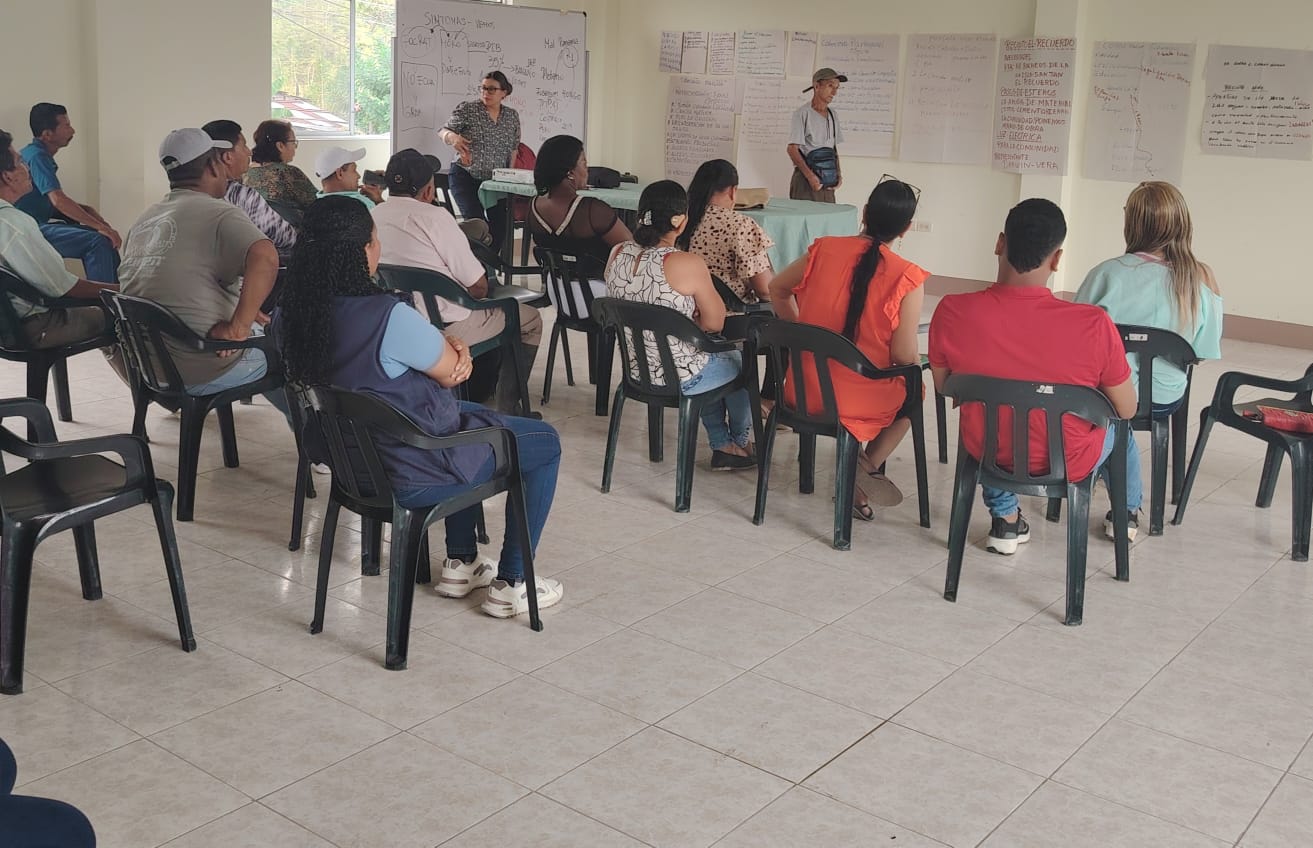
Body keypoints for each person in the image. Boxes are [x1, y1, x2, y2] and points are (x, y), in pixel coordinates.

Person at [275, 196, 563, 617]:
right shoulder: (387, 316)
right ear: (362, 252)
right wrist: (457, 348)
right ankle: (514, 583)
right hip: (414, 468)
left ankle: (462, 563)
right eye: (375, 240)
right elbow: (450, 374)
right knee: (544, 442)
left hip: (352, 466)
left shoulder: (291, 316)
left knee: (465, 420)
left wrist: (447, 348)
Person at [928, 199, 1137, 555]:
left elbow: (945, 386)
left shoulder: (951, 310)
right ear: (1057, 259)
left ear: (999, 243)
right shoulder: (1093, 324)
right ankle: (1125, 515)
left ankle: (1005, 520)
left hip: (988, 451)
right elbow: (1127, 408)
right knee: (1121, 431)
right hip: (1069, 459)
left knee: (992, 416)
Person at [768, 176, 925, 520]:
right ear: (906, 229)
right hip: (858, 400)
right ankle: (861, 471)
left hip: (803, 391)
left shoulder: (823, 249)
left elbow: (776, 288)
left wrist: (800, 336)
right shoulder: (907, 277)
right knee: (914, 394)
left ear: (865, 213)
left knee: (905, 387)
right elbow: (902, 357)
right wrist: (917, 367)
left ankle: (860, 470)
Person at [1075, 180, 1224, 539]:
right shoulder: (1199, 280)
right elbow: (1204, 351)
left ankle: (1106, 481)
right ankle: (1126, 511)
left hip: (1107, 395)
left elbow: (1076, 339)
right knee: (1119, 414)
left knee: (1107, 412)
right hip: (1165, 397)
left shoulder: (1105, 273)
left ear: (1131, 223)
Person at [116, 128, 285, 412]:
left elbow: (180, 282)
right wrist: (238, 327)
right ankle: (318, 434)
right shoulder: (219, 212)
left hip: (148, 368)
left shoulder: (145, 219)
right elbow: (266, 257)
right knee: (291, 352)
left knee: (261, 331)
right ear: (213, 166)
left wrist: (244, 311)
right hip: (201, 368)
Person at [372, 148, 542, 415]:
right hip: (446, 327)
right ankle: (509, 407)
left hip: (396, 323)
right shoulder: (436, 218)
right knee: (530, 320)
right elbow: (478, 287)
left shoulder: (374, 215)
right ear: (429, 191)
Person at [604, 180, 754, 470]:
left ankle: (723, 444)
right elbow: (714, 323)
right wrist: (690, 319)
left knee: (706, 357)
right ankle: (739, 442)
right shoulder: (686, 263)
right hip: (682, 376)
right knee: (736, 361)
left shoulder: (617, 253)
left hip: (637, 373)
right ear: (680, 221)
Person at [0, 129, 116, 348]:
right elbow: (63, 288)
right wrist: (121, 292)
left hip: (8, 325)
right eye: (20, 162)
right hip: (37, 326)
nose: (27, 168)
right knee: (133, 317)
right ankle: (152, 373)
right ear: (8, 176)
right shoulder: (14, 224)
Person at [15, 102, 121, 282]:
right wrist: (101, 226)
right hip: (27, 231)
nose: (72, 131)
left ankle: (118, 293)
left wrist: (89, 213)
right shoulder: (37, 157)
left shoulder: (33, 154)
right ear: (47, 134)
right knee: (98, 240)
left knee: (104, 237)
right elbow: (59, 200)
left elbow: (46, 203)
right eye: (66, 126)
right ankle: (105, 297)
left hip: (31, 225)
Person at [439, 71, 520, 248]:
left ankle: (487, 262)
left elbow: (513, 149)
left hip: (495, 182)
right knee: (477, 225)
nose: (486, 93)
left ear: (504, 92)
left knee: (501, 226)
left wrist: (509, 177)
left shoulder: (511, 116)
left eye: (491, 89)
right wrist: (453, 138)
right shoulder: (468, 109)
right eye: (483, 88)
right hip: (466, 176)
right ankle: (477, 264)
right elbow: (443, 131)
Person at [680, 158, 775, 303]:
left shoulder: (682, 219)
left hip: (688, 308)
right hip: (732, 312)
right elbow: (765, 290)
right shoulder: (741, 225)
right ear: (732, 191)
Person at [201, 119, 298, 260]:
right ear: (228, 157)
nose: (249, 152)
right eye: (244, 146)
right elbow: (287, 237)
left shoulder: (185, 196)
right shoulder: (241, 195)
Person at [787, 69, 847, 203]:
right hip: (806, 182)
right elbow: (792, 149)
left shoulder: (833, 115)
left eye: (837, 87)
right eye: (830, 86)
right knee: (805, 214)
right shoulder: (802, 113)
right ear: (817, 86)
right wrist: (811, 177)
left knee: (828, 215)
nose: (834, 92)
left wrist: (838, 175)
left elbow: (833, 148)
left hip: (828, 181)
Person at [242, 119, 318, 213]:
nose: (295, 147)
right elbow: (318, 204)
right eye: (293, 142)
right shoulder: (288, 173)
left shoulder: (245, 173)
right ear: (280, 146)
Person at [315, 146, 384, 207]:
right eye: (354, 170)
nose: (358, 176)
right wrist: (378, 200)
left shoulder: (317, 206)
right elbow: (387, 216)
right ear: (339, 173)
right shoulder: (359, 205)